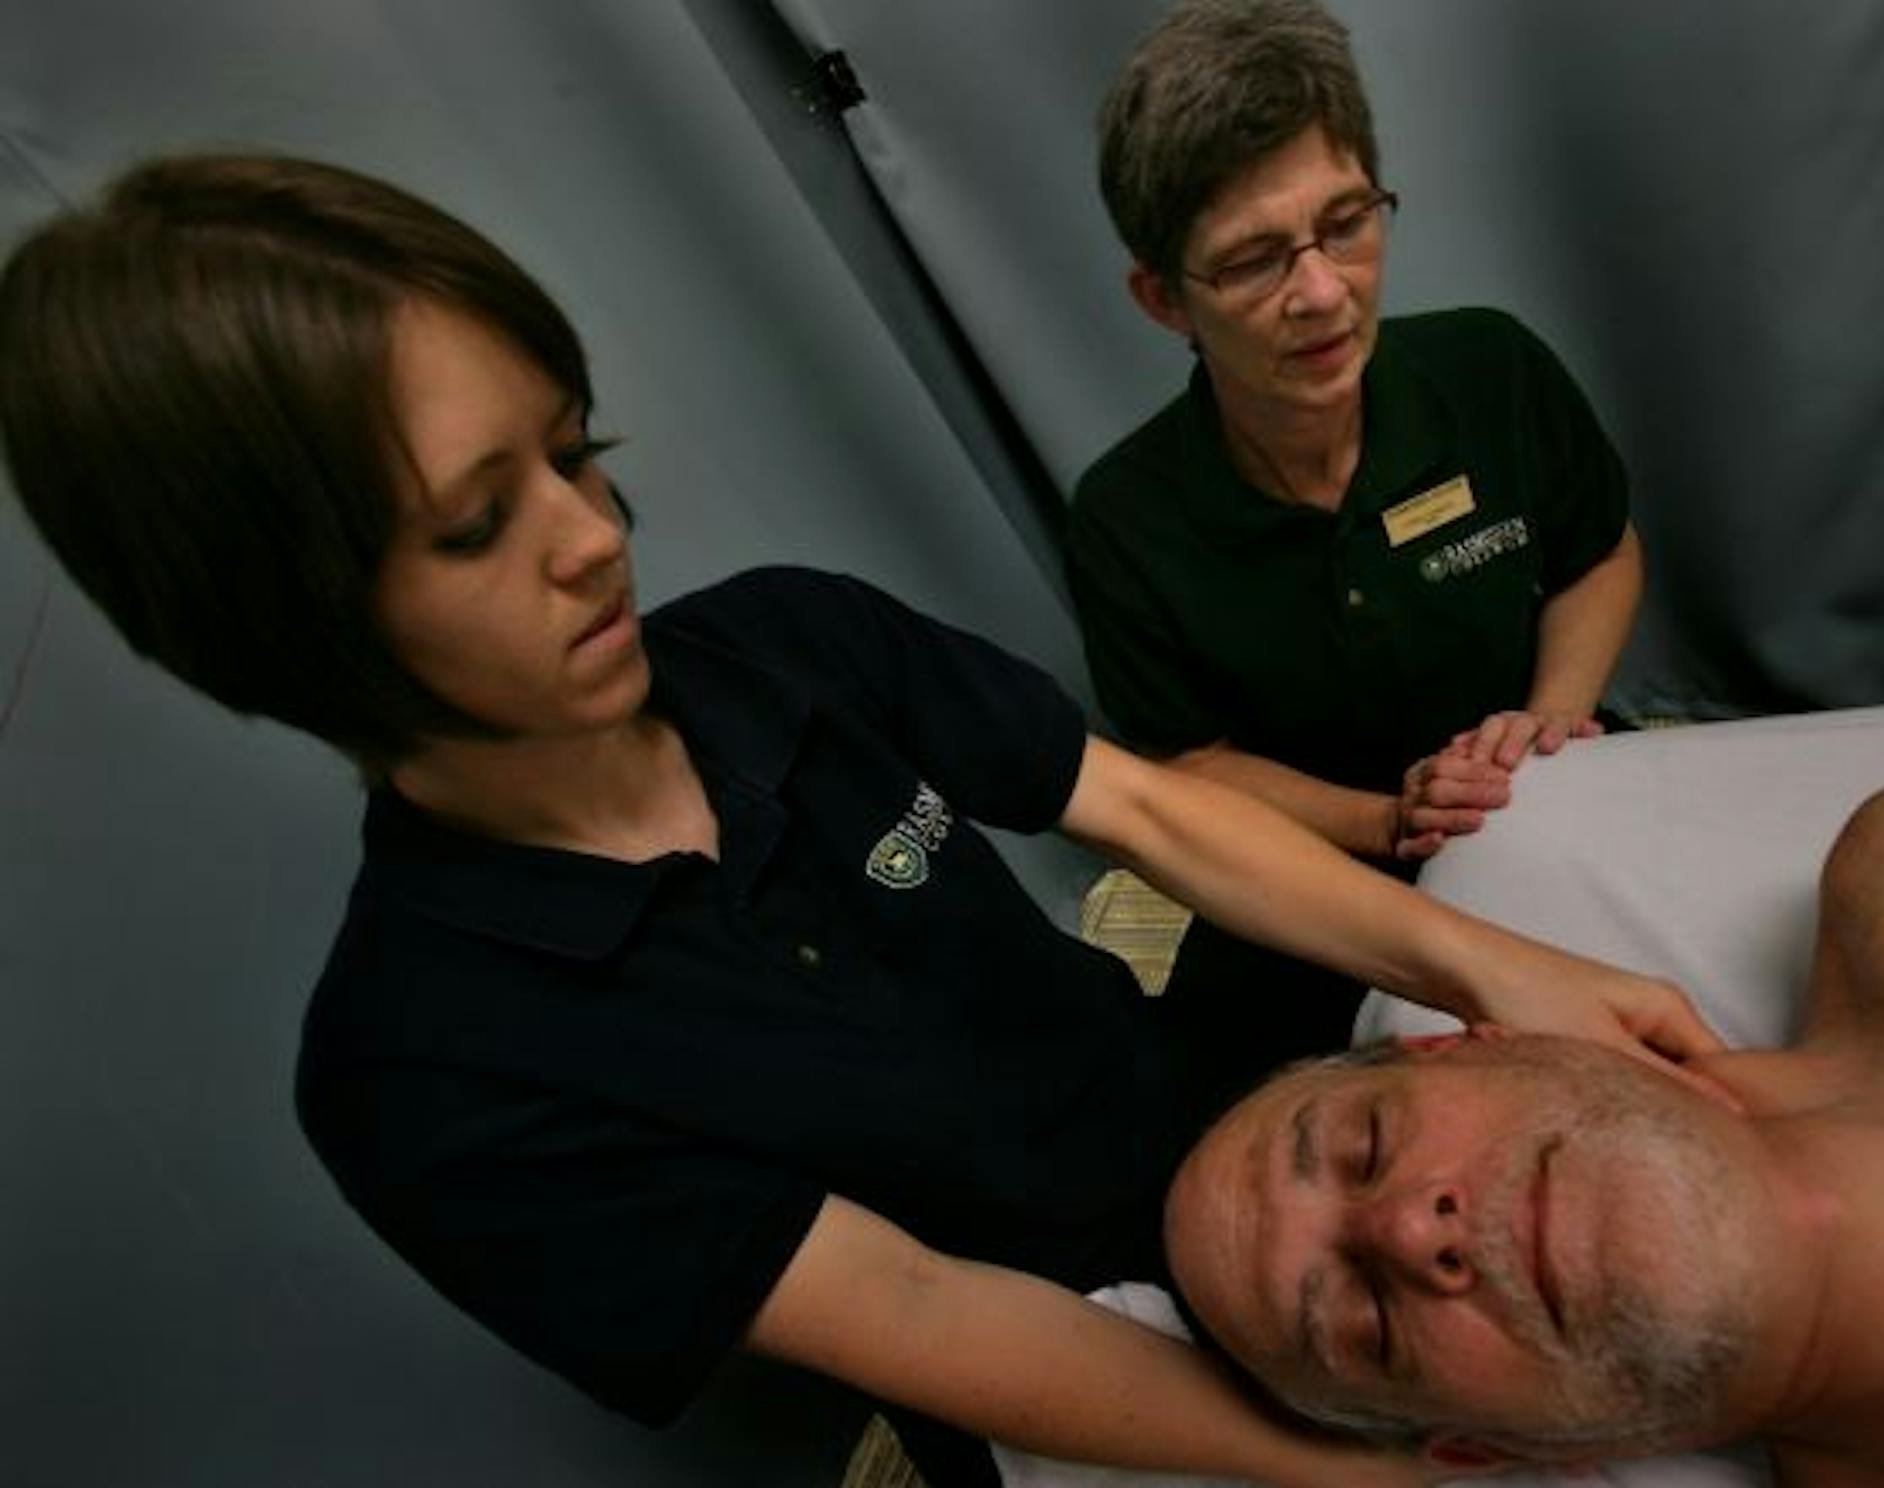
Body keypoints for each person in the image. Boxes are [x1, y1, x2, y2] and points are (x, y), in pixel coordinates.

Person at [0, 154, 1718, 1488]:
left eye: (572, 449)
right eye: (474, 526)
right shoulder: (423, 1069)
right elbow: (915, 1308)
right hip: (1070, 1359)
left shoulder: (786, 646)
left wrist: (1499, 970)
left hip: (1201, 1117)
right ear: (287, 623)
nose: (594, 535)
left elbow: (1147, 812)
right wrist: (1333, 1463)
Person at [1165, 748, 1884, 1485]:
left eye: (1364, 1146)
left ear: (1474, 1039)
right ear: (1487, 1449)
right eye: (1366, 1324)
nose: (1403, 1229)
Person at [1070, 0, 1646, 1117]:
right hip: (1306, 886)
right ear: (1162, 299)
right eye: (1252, 262)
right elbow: (1189, 770)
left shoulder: (1492, 369)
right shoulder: (1125, 518)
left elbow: (1598, 554)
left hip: (1543, 797)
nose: (1324, 291)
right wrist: (1390, 821)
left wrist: (1550, 727)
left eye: (1346, 223)